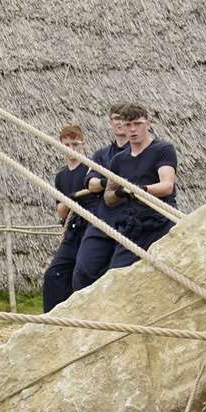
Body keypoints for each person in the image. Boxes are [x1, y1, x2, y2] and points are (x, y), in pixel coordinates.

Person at [104, 103, 178, 271]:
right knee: (116, 274)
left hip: (161, 222)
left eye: (138, 124)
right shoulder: (119, 160)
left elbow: (167, 185)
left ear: (148, 124)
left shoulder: (163, 149)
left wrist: (141, 190)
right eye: (128, 125)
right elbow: (108, 198)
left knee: (168, 273)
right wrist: (120, 193)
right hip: (133, 227)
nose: (133, 129)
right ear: (122, 126)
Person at [70, 106, 129, 292]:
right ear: (111, 123)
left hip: (130, 217)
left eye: (123, 118)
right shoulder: (101, 155)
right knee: (83, 269)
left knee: (119, 271)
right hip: (104, 217)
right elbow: (91, 183)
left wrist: (104, 183)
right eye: (115, 119)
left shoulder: (140, 152)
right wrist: (110, 181)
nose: (119, 123)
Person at [42, 124, 95, 311]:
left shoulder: (91, 170)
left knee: (82, 273)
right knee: (53, 275)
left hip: (90, 229)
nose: (71, 149)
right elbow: (60, 211)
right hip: (71, 231)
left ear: (83, 144)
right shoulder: (61, 177)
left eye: (75, 144)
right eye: (67, 145)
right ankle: (52, 320)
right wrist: (70, 200)